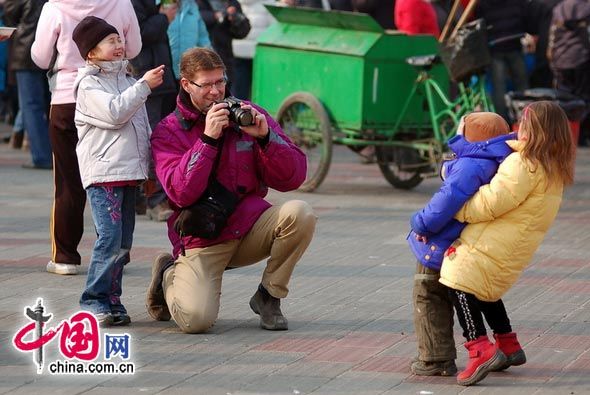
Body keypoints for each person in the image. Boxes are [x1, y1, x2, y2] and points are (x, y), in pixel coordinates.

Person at [146, 47, 317, 333]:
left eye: (220, 82)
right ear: (186, 85)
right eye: (207, 84)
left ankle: (269, 296)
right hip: (203, 236)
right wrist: (207, 139)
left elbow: (294, 177)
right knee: (196, 321)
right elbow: (179, 194)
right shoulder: (169, 130)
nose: (216, 92)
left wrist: (266, 138)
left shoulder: (247, 113)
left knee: (300, 213)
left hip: (248, 226)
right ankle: (168, 273)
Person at [440, 101, 575, 386]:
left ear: (535, 132)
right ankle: (508, 345)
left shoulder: (524, 163)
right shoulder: (553, 169)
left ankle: (480, 349)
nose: (518, 129)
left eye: (524, 125)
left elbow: (491, 202)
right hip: (511, 244)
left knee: (458, 283)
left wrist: (457, 208)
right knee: (484, 289)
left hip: (493, 240)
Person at [31, 0, 141, 275]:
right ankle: (116, 253)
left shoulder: (54, 6)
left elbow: (41, 57)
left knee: (68, 182)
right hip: (113, 99)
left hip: (67, 98)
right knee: (112, 177)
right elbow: (135, 48)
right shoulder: (122, 3)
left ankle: (65, 257)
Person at [72, 16, 164, 326]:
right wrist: (143, 87)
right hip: (103, 174)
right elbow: (115, 114)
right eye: (110, 41)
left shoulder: (126, 79)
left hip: (128, 173)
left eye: (119, 39)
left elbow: (142, 126)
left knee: (124, 243)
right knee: (109, 238)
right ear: (90, 52)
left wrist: (149, 168)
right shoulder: (88, 84)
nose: (119, 45)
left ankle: (113, 298)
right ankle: (93, 300)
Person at [409, 112, 514, 377]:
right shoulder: (499, 162)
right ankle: (506, 344)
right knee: (472, 294)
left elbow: (445, 202)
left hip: (443, 240)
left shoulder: (471, 165)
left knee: (428, 291)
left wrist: (421, 224)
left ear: (473, 137)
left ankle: (435, 358)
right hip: (468, 241)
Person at [130, 0, 179, 222]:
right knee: (150, 140)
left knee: (160, 138)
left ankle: (143, 197)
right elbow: (138, 35)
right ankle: (154, 198)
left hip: (160, 76)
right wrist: (164, 18)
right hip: (144, 75)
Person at [4, 0, 53, 170]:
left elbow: (10, 12)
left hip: (25, 51)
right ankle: (55, 154)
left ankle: (41, 156)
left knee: (31, 106)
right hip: (51, 50)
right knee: (51, 104)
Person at [197, 0, 251, 86]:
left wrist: (235, 19)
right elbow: (194, 19)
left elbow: (243, 32)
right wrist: (215, 16)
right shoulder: (197, 3)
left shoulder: (232, 3)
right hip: (200, 63)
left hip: (225, 62)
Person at [167, 0, 211, 82]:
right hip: (163, 73)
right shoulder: (159, 4)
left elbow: (203, 39)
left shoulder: (192, 6)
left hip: (189, 72)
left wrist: (213, 67)